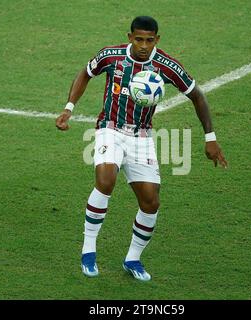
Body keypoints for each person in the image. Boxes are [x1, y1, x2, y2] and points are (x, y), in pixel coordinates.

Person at [56, 16, 227, 282]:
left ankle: (133, 258)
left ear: (157, 40)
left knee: (151, 201)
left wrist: (210, 137)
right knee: (105, 180)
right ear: (130, 37)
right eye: (139, 39)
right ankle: (88, 250)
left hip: (142, 137)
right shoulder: (110, 56)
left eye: (149, 40)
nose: (144, 45)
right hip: (109, 128)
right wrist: (69, 108)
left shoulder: (166, 66)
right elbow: (85, 74)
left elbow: (197, 95)